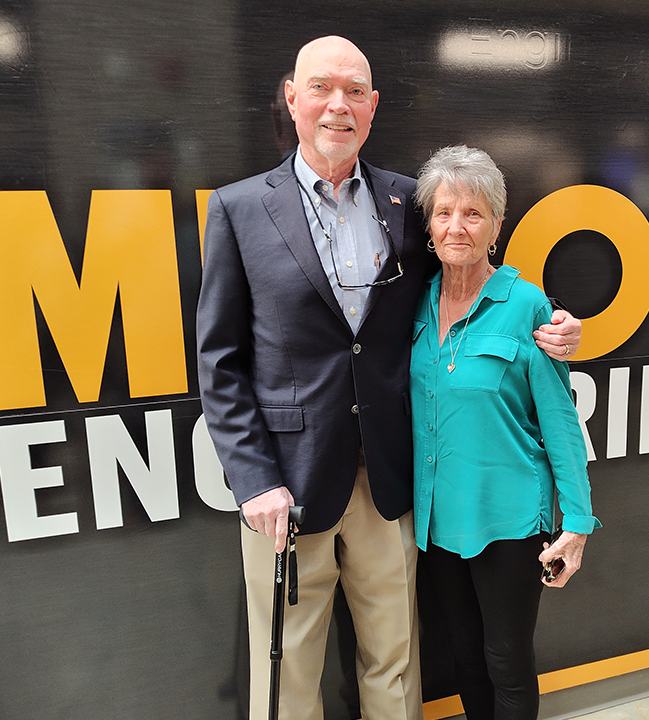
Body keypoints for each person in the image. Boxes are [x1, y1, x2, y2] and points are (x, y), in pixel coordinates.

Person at [196, 36, 582, 720]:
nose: (336, 106)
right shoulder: (239, 210)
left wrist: (556, 327)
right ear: (292, 98)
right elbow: (220, 361)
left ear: (373, 107)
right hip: (289, 485)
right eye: (321, 88)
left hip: (391, 482)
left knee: (395, 659)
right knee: (285, 669)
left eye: (354, 92)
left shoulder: (412, 206)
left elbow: (475, 287)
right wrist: (253, 479)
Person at [410, 145, 601, 720]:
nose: (457, 226)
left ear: (497, 224)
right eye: (444, 213)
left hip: (510, 519)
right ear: (429, 225)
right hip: (438, 522)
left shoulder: (526, 304)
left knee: (506, 660)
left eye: (473, 213)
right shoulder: (415, 303)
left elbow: (560, 419)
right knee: (464, 658)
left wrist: (579, 523)